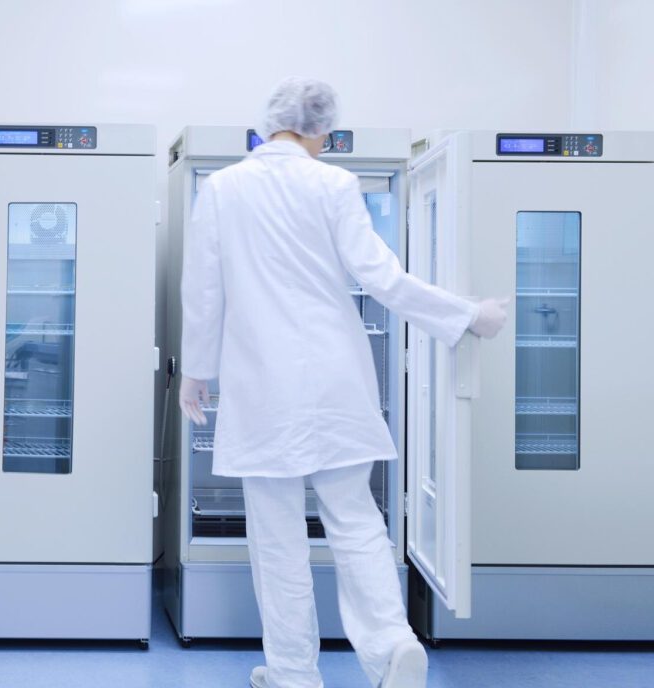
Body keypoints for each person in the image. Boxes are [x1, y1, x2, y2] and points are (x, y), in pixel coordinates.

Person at [178, 76, 508, 688]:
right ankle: (392, 646)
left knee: (277, 539)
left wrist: (196, 374)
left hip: (261, 390)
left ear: (269, 123)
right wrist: (468, 316)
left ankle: (294, 673)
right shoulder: (335, 183)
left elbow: (203, 294)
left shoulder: (222, 189)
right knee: (356, 522)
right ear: (320, 131)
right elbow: (382, 278)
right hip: (336, 384)